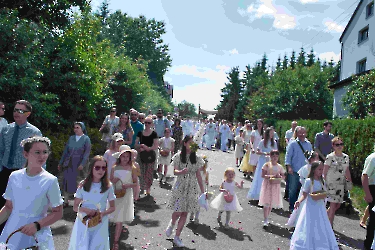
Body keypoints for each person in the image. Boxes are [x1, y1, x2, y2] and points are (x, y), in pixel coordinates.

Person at [0, 136, 63, 249]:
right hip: (13, 231)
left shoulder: (50, 180)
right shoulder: (14, 176)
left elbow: (57, 212)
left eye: (45, 152)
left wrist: (37, 225)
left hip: (37, 234)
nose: (42, 156)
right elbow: (8, 207)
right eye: (37, 152)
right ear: (26, 154)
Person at [0, 100, 42, 231]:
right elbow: (1, 150)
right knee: (2, 206)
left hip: (22, 175)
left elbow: (39, 157)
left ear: (28, 114)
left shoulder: (34, 132)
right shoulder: (6, 129)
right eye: (15, 110)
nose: (16, 113)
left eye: (20, 111)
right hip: (4, 172)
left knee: (17, 208)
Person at [165, 135, 205, 247]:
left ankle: (177, 237)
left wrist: (202, 191)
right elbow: (175, 172)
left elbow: (198, 175)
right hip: (180, 186)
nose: (191, 145)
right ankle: (172, 224)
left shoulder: (197, 158)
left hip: (191, 187)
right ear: (184, 143)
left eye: (193, 143)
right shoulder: (178, 156)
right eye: (190, 142)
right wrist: (182, 171)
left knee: (185, 212)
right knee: (178, 211)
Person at [68, 155, 116, 249]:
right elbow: (75, 207)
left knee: (97, 246)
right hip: (83, 221)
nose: (100, 170)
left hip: (100, 222)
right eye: (97, 167)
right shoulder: (83, 185)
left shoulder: (108, 186)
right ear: (91, 168)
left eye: (103, 168)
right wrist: (86, 210)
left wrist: (103, 213)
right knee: (82, 245)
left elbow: (112, 207)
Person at [290, 162, 339, 250]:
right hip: (310, 206)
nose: (321, 171)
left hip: (319, 206)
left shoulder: (322, 181)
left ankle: (319, 242)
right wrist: (299, 201)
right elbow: (304, 194)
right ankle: (307, 243)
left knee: (320, 223)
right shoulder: (309, 181)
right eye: (319, 169)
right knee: (309, 223)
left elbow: (325, 191)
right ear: (314, 170)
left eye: (322, 169)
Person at [110, 147, 138, 250]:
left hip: (125, 195)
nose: (125, 158)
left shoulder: (132, 168)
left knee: (119, 219)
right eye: (123, 156)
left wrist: (128, 185)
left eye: (127, 156)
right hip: (115, 194)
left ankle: (116, 241)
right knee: (113, 216)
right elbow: (110, 181)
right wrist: (114, 180)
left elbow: (135, 183)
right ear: (119, 157)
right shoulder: (114, 167)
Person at [58, 122, 91, 207]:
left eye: (77, 128)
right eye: (74, 128)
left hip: (79, 164)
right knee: (67, 181)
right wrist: (61, 162)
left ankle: (80, 201)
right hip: (69, 163)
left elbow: (86, 153)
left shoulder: (86, 139)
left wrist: (82, 164)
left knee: (79, 182)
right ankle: (65, 200)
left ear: (82, 128)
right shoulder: (71, 138)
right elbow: (66, 151)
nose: (75, 129)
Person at [323, 136, 352, 227]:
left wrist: (349, 180)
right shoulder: (330, 157)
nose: (339, 146)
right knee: (333, 205)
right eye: (337, 144)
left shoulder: (346, 157)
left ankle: (323, 217)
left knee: (338, 205)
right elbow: (325, 171)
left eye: (341, 144)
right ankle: (330, 226)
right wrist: (324, 183)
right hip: (331, 184)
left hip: (341, 184)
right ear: (333, 146)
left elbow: (346, 170)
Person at [286, 151, 319, 228]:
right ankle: (299, 223)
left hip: (315, 190)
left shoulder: (317, 168)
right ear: (311, 159)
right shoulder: (305, 168)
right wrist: (309, 186)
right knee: (302, 207)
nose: (318, 159)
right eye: (316, 158)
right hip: (306, 191)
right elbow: (302, 180)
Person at [285, 126, 312, 213]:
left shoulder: (308, 144)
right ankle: (292, 207)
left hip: (305, 172)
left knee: (303, 190)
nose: (302, 134)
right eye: (300, 133)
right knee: (293, 189)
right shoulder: (293, 143)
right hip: (294, 170)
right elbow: (288, 156)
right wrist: (289, 167)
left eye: (304, 132)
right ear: (297, 133)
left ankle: (300, 209)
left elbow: (311, 157)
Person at [247, 127, 278, 201]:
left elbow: (276, 152)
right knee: (261, 177)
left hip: (271, 161)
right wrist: (264, 153)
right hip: (263, 161)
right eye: (270, 133)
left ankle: (267, 196)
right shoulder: (262, 142)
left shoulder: (274, 142)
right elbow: (257, 151)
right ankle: (259, 195)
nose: (272, 134)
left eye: (272, 133)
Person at [259, 150, 285, 227]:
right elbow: (263, 175)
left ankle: (267, 217)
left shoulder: (279, 166)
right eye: (273, 156)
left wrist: (280, 177)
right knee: (266, 203)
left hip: (275, 186)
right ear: (270, 157)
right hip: (267, 185)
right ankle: (265, 219)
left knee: (271, 203)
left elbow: (283, 175)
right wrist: (271, 176)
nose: (275, 158)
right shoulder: (266, 165)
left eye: (276, 156)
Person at [134, 116, 159, 196]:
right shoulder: (140, 133)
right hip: (141, 154)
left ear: (152, 124)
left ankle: (148, 188)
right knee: (141, 171)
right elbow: (135, 144)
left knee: (149, 172)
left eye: (149, 123)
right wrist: (140, 146)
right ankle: (141, 187)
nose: (147, 124)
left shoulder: (154, 134)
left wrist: (147, 148)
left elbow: (155, 146)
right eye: (146, 122)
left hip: (150, 155)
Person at [362, 147, 375, 250]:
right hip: (373, 188)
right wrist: (367, 193)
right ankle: (368, 243)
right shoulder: (373, 158)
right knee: (373, 217)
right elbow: (365, 175)